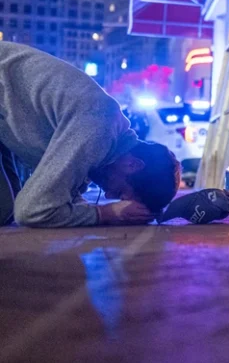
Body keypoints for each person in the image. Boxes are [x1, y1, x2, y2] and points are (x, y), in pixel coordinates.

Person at [0, 43, 180, 227]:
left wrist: (86, 211)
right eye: (120, 193)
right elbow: (31, 211)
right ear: (132, 164)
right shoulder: (99, 126)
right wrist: (106, 213)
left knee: (4, 210)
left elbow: (63, 195)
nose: (109, 196)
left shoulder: (107, 136)